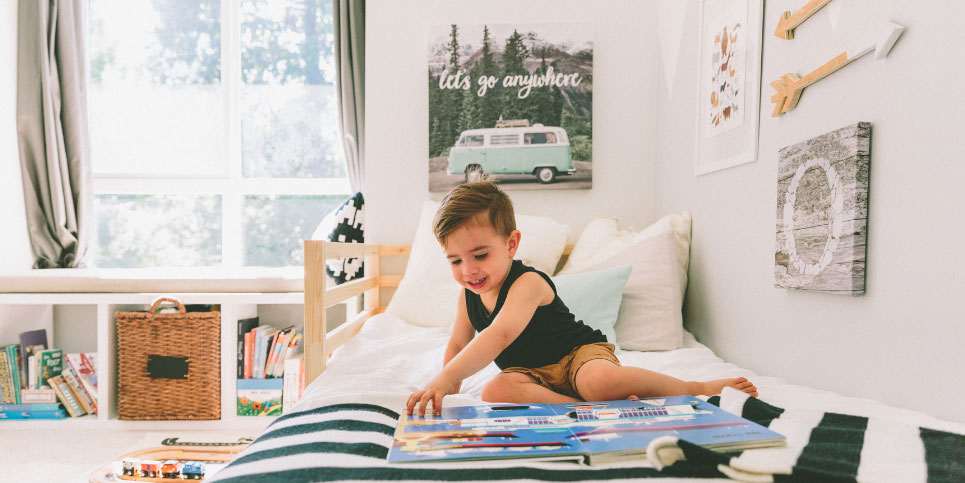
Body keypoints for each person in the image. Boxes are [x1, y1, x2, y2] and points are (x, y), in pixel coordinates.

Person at [405, 179, 757, 416]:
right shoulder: (467, 297)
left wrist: (443, 380)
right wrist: (448, 387)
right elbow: (457, 343)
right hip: (529, 373)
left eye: (480, 255)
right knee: (495, 391)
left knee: (600, 381)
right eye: (455, 260)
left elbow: (500, 335)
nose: (468, 270)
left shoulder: (526, 283)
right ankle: (581, 408)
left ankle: (695, 386)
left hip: (578, 356)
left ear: (511, 244)